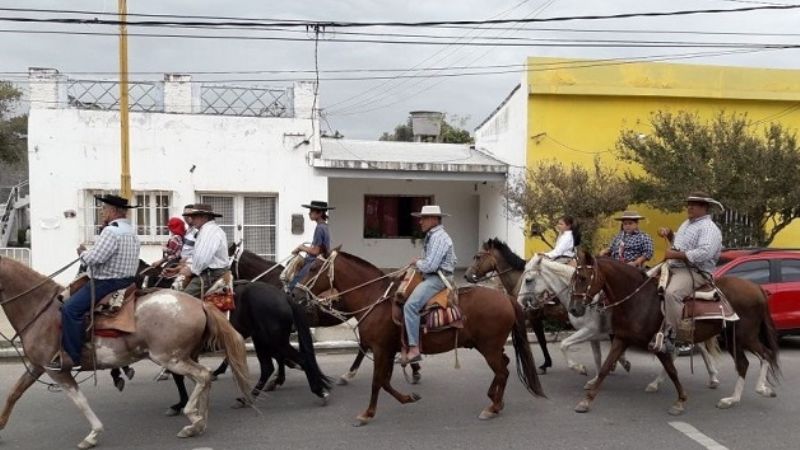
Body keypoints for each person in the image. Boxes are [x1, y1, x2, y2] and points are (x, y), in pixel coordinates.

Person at [48, 194, 141, 371]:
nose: (102, 212)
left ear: (113, 211)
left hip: (107, 282)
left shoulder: (111, 231)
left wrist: (82, 254)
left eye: (104, 209)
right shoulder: (131, 232)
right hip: (127, 280)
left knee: (70, 309)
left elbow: (95, 258)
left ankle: (72, 356)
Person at [653, 191, 723, 353]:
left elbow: (705, 252)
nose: (689, 207)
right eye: (689, 204)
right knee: (643, 281)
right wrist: (670, 234)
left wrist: (676, 255)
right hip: (675, 266)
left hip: (696, 271)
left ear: (704, 208)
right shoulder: (687, 223)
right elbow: (681, 242)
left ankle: (675, 335)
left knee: (672, 293)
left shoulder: (709, 228)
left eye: (694, 205)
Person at [402, 205, 456, 365]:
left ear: (433, 219)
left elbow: (431, 266)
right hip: (433, 275)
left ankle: (414, 349)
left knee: (410, 306)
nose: (420, 222)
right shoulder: (434, 236)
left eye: (423, 218)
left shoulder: (438, 237)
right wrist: (421, 262)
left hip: (437, 279)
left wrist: (417, 262)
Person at [172, 204, 229, 299]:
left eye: (195, 216)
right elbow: (198, 256)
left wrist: (191, 270)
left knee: (183, 298)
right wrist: (183, 267)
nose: (192, 219)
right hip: (207, 271)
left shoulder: (209, 231)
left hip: (211, 274)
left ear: (204, 217)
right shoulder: (207, 230)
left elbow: (203, 259)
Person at [288, 200, 334, 289]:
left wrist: (301, 247)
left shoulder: (320, 228)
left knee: (294, 284)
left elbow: (315, 251)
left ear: (319, 213)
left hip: (314, 261)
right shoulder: (324, 226)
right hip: (321, 259)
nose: (309, 214)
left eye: (312, 211)